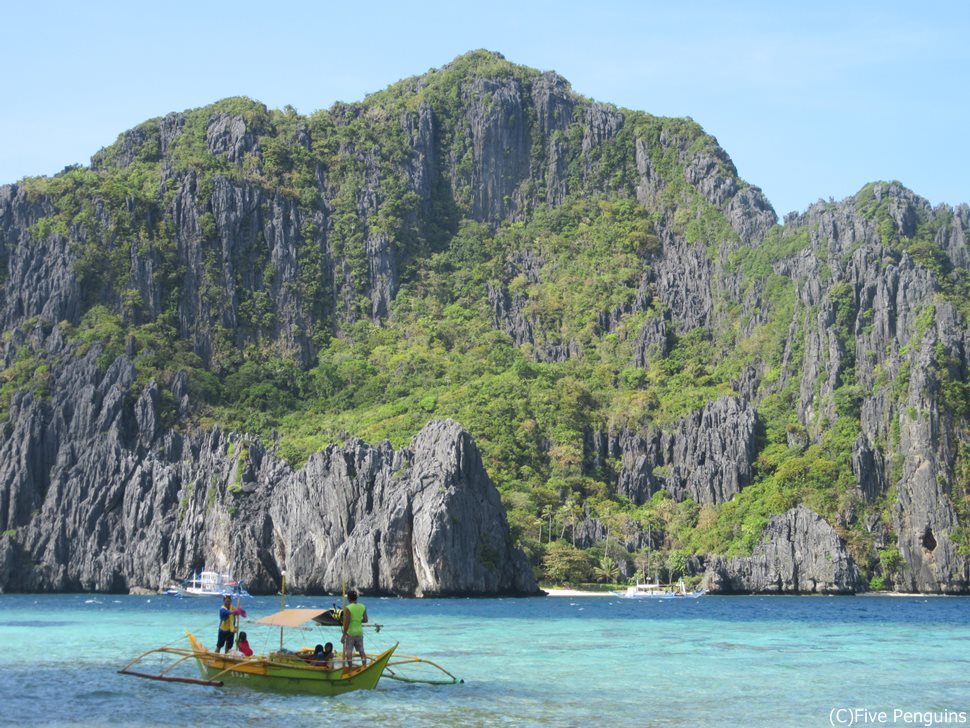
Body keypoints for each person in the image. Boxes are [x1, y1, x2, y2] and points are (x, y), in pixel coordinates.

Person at [342, 590, 368, 670]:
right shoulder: (362, 606)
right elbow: (366, 620)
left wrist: (344, 634)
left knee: (349, 651)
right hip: (359, 632)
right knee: (361, 650)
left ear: (349, 598)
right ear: (356, 598)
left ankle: (350, 669)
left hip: (351, 633)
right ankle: (364, 666)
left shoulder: (348, 608)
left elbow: (347, 622)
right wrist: (357, 620)